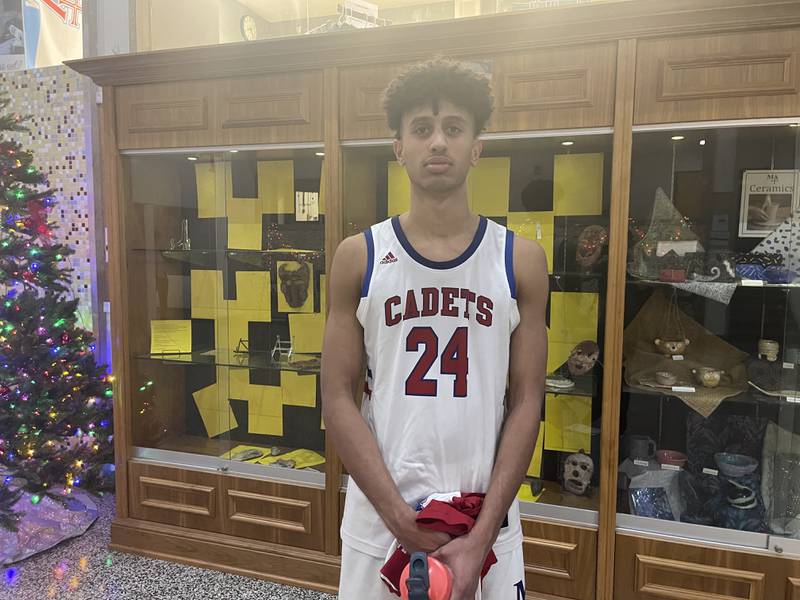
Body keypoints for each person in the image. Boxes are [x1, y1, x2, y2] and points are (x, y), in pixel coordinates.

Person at [321, 58, 548, 600]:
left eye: (453, 128)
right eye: (422, 129)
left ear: (477, 147)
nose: (438, 143)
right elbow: (336, 396)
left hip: (485, 522)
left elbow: (527, 401)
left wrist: (482, 535)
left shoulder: (520, 261)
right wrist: (401, 519)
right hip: (381, 523)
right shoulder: (359, 258)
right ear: (399, 147)